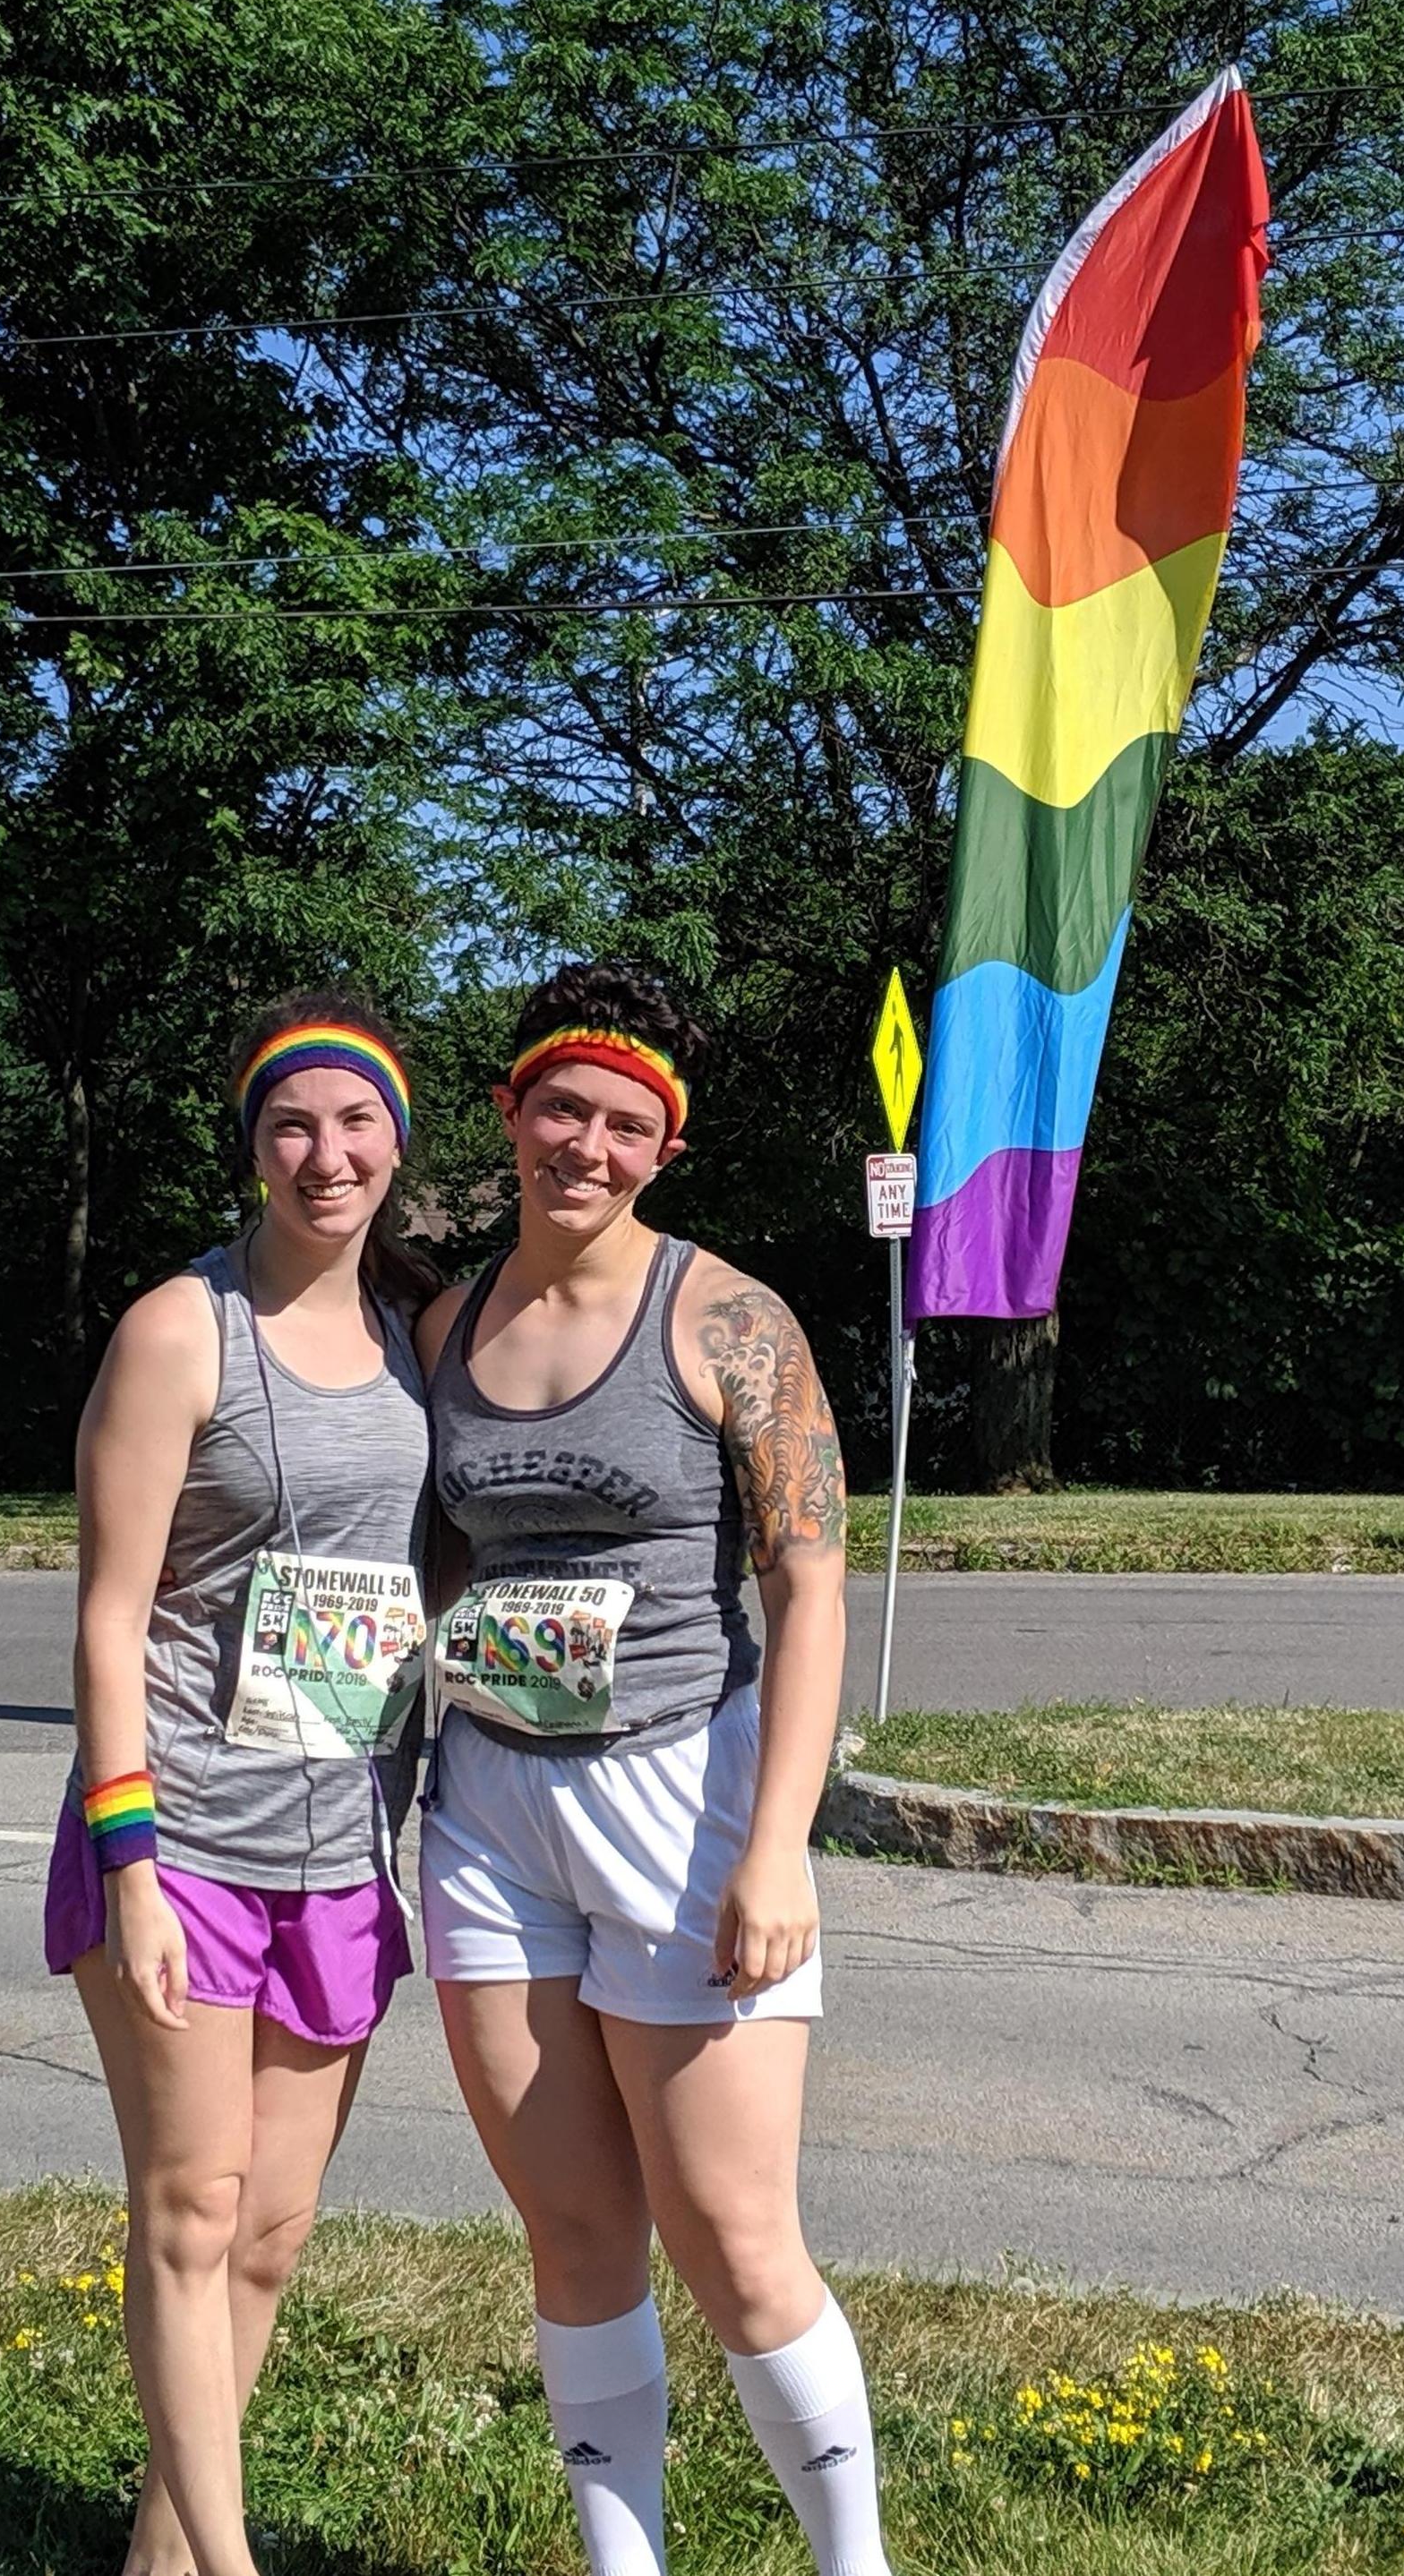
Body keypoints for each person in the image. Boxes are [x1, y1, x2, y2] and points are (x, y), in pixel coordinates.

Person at [417, 961, 890, 2576]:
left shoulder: (727, 1319)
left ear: (662, 1147)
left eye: (627, 1124)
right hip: (486, 1810)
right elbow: (415, 1560)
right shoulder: (443, 1318)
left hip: (681, 1796)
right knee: (572, 2235)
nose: (589, 1146)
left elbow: (809, 1583)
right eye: (564, 1108)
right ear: (512, 1109)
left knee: (737, 2243)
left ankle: (854, 2563)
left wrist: (781, 1845)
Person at [47, 994, 436, 2576]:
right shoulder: (176, 1328)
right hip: (185, 1839)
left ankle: (162, 2553)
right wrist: (128, 1864)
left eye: (354, 1124)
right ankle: (229, 2561)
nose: (323, 1154)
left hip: (342, 1848)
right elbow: (106, 1615)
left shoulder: (427, 1336)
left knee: (268, 2235)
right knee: (189, 2210)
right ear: (253, 1140)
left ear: (397, 1144)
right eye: (293, 1124)